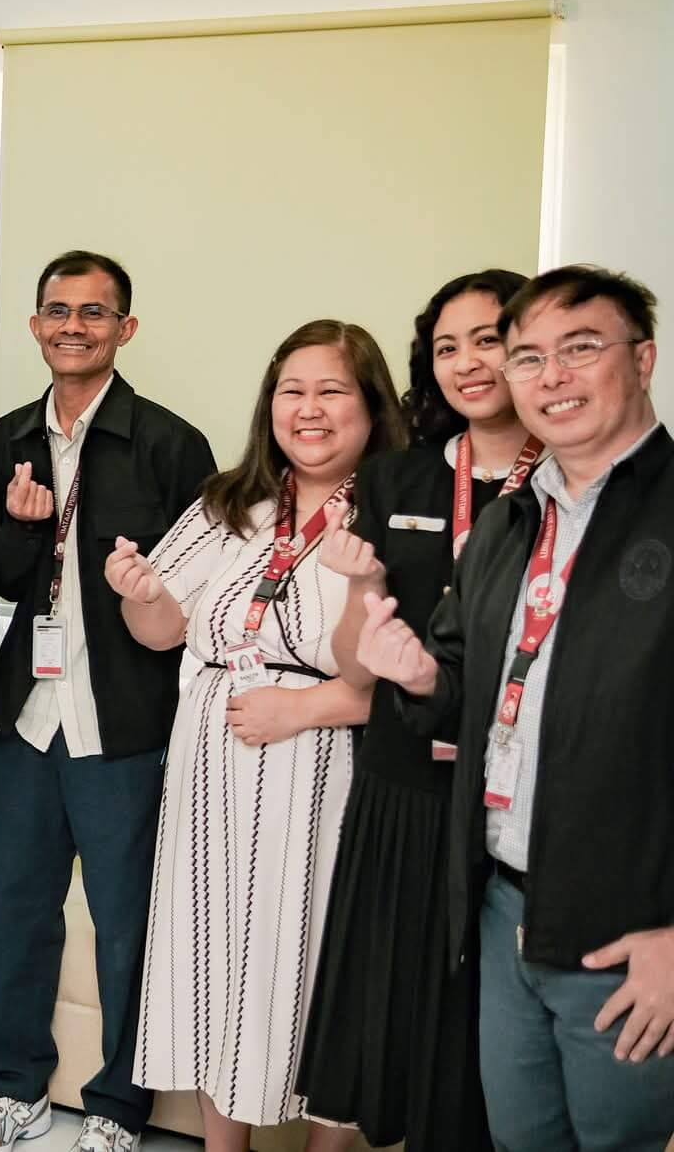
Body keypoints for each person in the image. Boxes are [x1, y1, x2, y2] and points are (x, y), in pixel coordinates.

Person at [355, 265, 674, 1152]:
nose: (551, 375)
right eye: (529, 356)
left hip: (629, 930)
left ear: (642, 359)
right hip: (500, 906)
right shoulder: (509, 523)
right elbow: (461, 681)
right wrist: (419, 675)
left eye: (581, 348)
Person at [110, 319, 404, 1152]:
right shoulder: (230, 502)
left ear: (371, 407)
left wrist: (298, 709)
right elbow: (161, 629)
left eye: (331, 391)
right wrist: (138, 590)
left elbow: (402, 678)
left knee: (314, 959)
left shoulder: (395, 508)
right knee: (213, 956)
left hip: (324, 770)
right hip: (210, 768)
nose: (308, 409)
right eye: (291, 391)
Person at [0, 251, 214, 1152]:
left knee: (125, 923)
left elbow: (196, 595)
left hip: (124, 721)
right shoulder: (7, 437)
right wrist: (22, 529)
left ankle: (116, 1106)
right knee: (14, 910)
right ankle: (15, 1086)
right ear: (35, 325)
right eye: (57, 311)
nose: (74, 326)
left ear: (124, 328)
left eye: (93, 312)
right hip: (31, 714)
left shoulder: (170, 444)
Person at [298, 271, 534, 1151]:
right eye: (446, 347)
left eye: (488, 339)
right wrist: (363, 584)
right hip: (402, 784)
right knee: (388, 1014)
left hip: (506, 793)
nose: (467, 362)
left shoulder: (562, 483)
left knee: (481, 1031)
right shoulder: (396, 475)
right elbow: (355, 664)